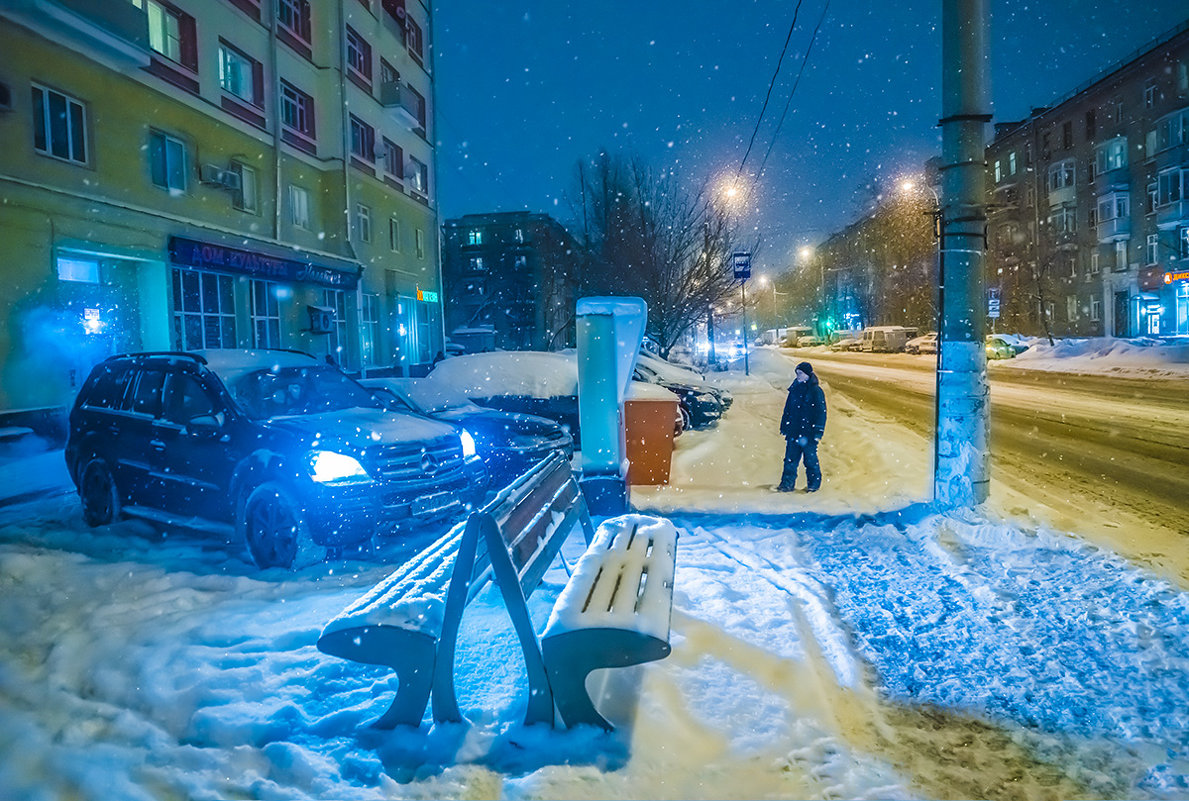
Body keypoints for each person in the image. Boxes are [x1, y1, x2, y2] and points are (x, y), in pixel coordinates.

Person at [777, 361, 827, 492]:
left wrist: (818, 431)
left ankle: (813, 485)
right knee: (790, 460)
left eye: (800, 373)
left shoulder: (815, 391)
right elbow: (788, 409)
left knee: (810, 461)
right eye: (797, 373)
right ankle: (787, 485)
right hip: (794, 432)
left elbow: (821, 413)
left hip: (808, 434)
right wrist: (784, 425)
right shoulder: (794, 389)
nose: (798, 375)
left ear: (807, 374)